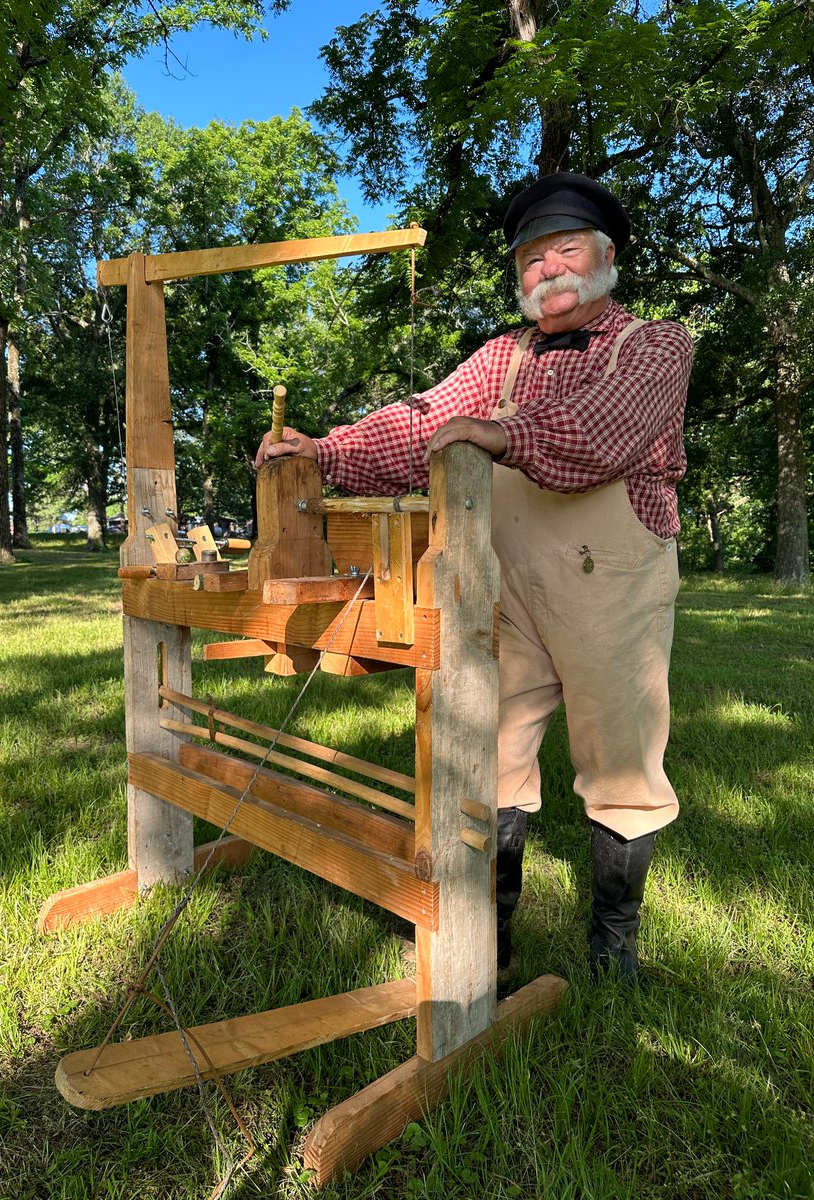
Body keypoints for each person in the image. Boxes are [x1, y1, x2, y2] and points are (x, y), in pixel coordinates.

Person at [255, 173, 693, 984]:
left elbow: (605, 431)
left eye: (565, 249)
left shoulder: (656, 345)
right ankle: (487, 935)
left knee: (622, 764)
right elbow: (424, 421)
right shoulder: (501, 357)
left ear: (606, 257)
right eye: (530, 259)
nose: (548, 269)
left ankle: (613, 942)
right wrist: (326, 450)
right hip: (508, 584)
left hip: (614, 590)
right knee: (489, 756)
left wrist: (495, 433)